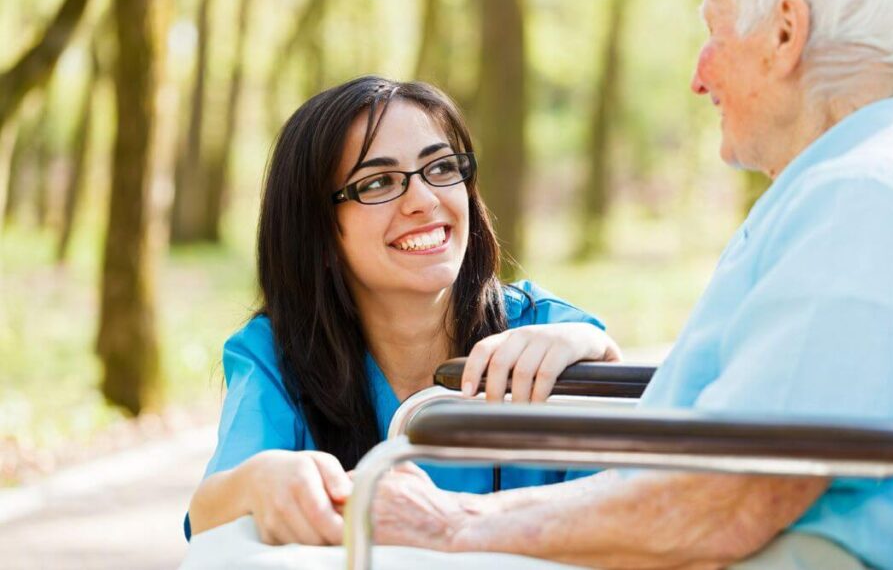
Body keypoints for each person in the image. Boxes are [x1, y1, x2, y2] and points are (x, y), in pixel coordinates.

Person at [369, 0, 893, 570]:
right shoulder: (858, 184)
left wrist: (454, 524)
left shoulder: (864, 198)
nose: (699, 75)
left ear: (785, 34)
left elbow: (735, 495)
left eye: (716, 34)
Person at [185, 77, 620, 545]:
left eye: (440, 168)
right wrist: (259, 481)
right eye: (377, 182)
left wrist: (596, 348)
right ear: (320, 232)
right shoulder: (278, 355)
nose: (425, 201)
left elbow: (640, 501)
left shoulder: (545, 330)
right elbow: (209, 512)